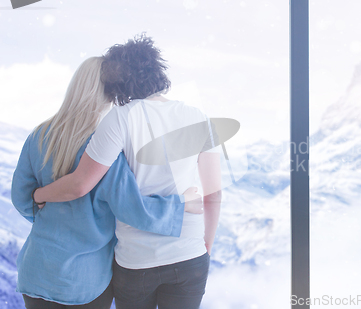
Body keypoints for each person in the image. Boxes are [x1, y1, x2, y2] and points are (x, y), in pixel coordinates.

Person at [34, 35, 222, 309]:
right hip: (188, 254)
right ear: (158, 70)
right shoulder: (200, 118)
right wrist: (206, 246)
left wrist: (40, 194)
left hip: (137, 261)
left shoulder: (120, 118)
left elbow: (80, 185)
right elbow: (214, 196)